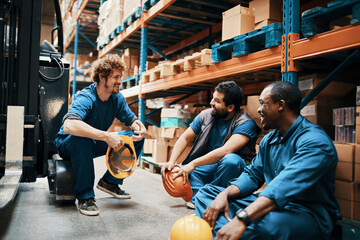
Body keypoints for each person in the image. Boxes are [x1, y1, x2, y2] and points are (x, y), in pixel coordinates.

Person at [195, 81, 340, 240]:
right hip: (269, 204)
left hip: (304, 213)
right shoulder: (269, 140)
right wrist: (225, 193)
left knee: (267, 225)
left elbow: (283, 187)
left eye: (263, 103)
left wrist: (243, 217)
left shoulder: (315, 142)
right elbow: (252, 175)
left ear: (281, 105)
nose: (258, 109)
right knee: (207, 194)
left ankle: (233, 231)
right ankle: (233, 233)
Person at [54, 54, 146, 216]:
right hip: (68, 143)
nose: (120, 81)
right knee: (82, 139)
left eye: (121, 77)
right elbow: (69, 125)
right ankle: (85, 197)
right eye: (116, 77)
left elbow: (130, 120)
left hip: (94, 141)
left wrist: (138, 126)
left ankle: (110, 182)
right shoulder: (86, 97)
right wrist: (106, 136)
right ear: (102, 77)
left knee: (134, 137)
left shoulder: (116, 98)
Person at [161, 81, 260, 209]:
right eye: (213, 98)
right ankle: (207, 197)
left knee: (231, 160)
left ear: (230, 107)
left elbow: (226, 150)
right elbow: (185, 138)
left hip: (233, 169)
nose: (211, 103)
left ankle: (209, 197)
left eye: (217, 101)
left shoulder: (246, 123)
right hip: (209, 165)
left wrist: (193, 164)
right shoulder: (206, 115)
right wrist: (171, 161)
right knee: (178, 173)